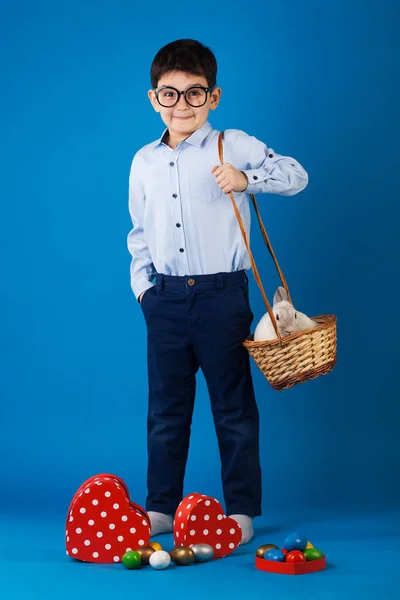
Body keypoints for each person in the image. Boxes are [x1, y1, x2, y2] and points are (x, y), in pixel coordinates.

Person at [127, 39, 308, 544]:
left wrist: (246, 178)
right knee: (165, 410)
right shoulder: (143, 161)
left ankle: (242, 511)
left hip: (222, 296)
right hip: (163, 300)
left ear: (214, 96)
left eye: (194, 93)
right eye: (170, 94)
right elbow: (139, 232)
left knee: (232, 408)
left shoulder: (233, 144)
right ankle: (160, 507)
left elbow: (297, 176)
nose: (181, 105)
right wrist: (144, 290)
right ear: (152, 98)